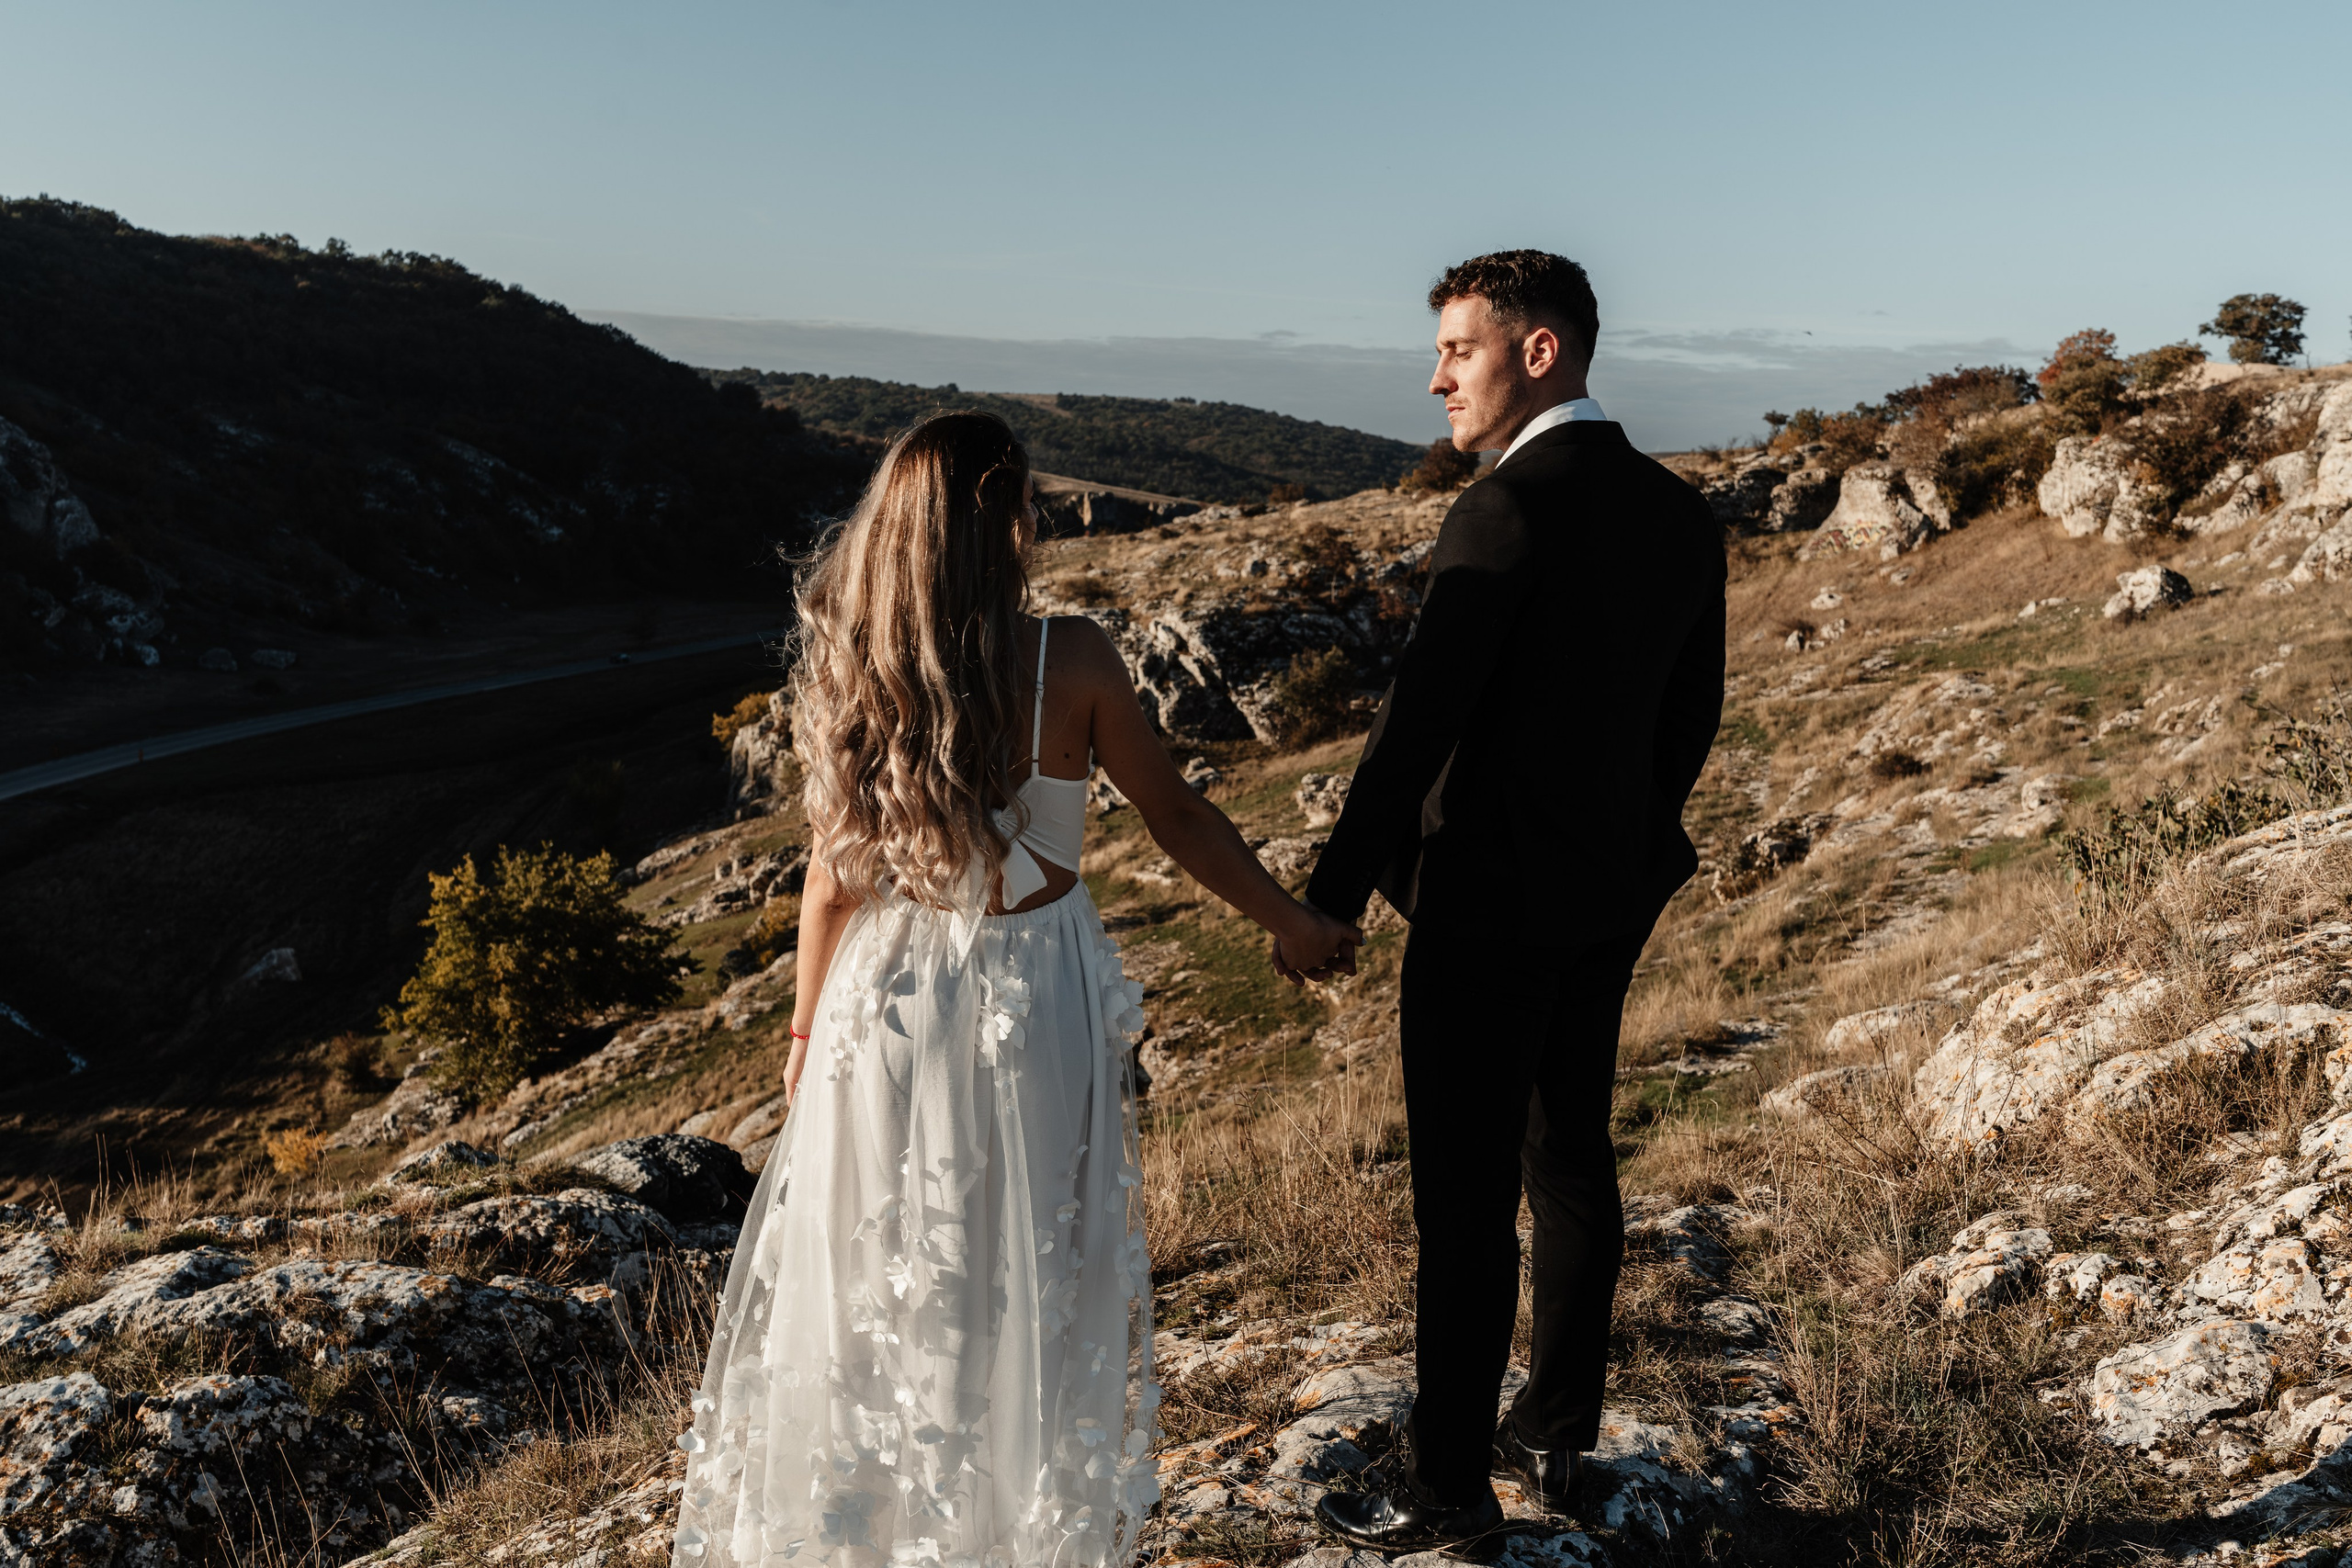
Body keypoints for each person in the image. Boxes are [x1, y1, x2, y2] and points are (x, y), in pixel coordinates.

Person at [672, 411, 1361, 1568]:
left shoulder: (852, 658)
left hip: (880, 999)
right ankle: (1001, 1532)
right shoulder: (1071, 657)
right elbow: (1176, 814)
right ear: (999, 523)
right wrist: (1290, 922)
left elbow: (830, 881)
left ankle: (882, 1536)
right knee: (1024, 1267)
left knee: (882, 1266)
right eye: (1026, 502)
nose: (1038, 521)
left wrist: (801, 1033)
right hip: (1029, 997)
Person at [1302, 252, 1725, 1551]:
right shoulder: (1676, 511)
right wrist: (1628, 846)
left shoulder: (1501, 511)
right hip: (1605, 892)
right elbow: (1687, 722)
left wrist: (1333, 896)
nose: (1435, 377)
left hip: (1486, 906)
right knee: (1574, 1156)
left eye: (1456, 350)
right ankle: (1552, 1430)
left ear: (1538, 352)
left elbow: (1414, 730)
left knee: (1468, 1199)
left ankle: (1447, 1488)